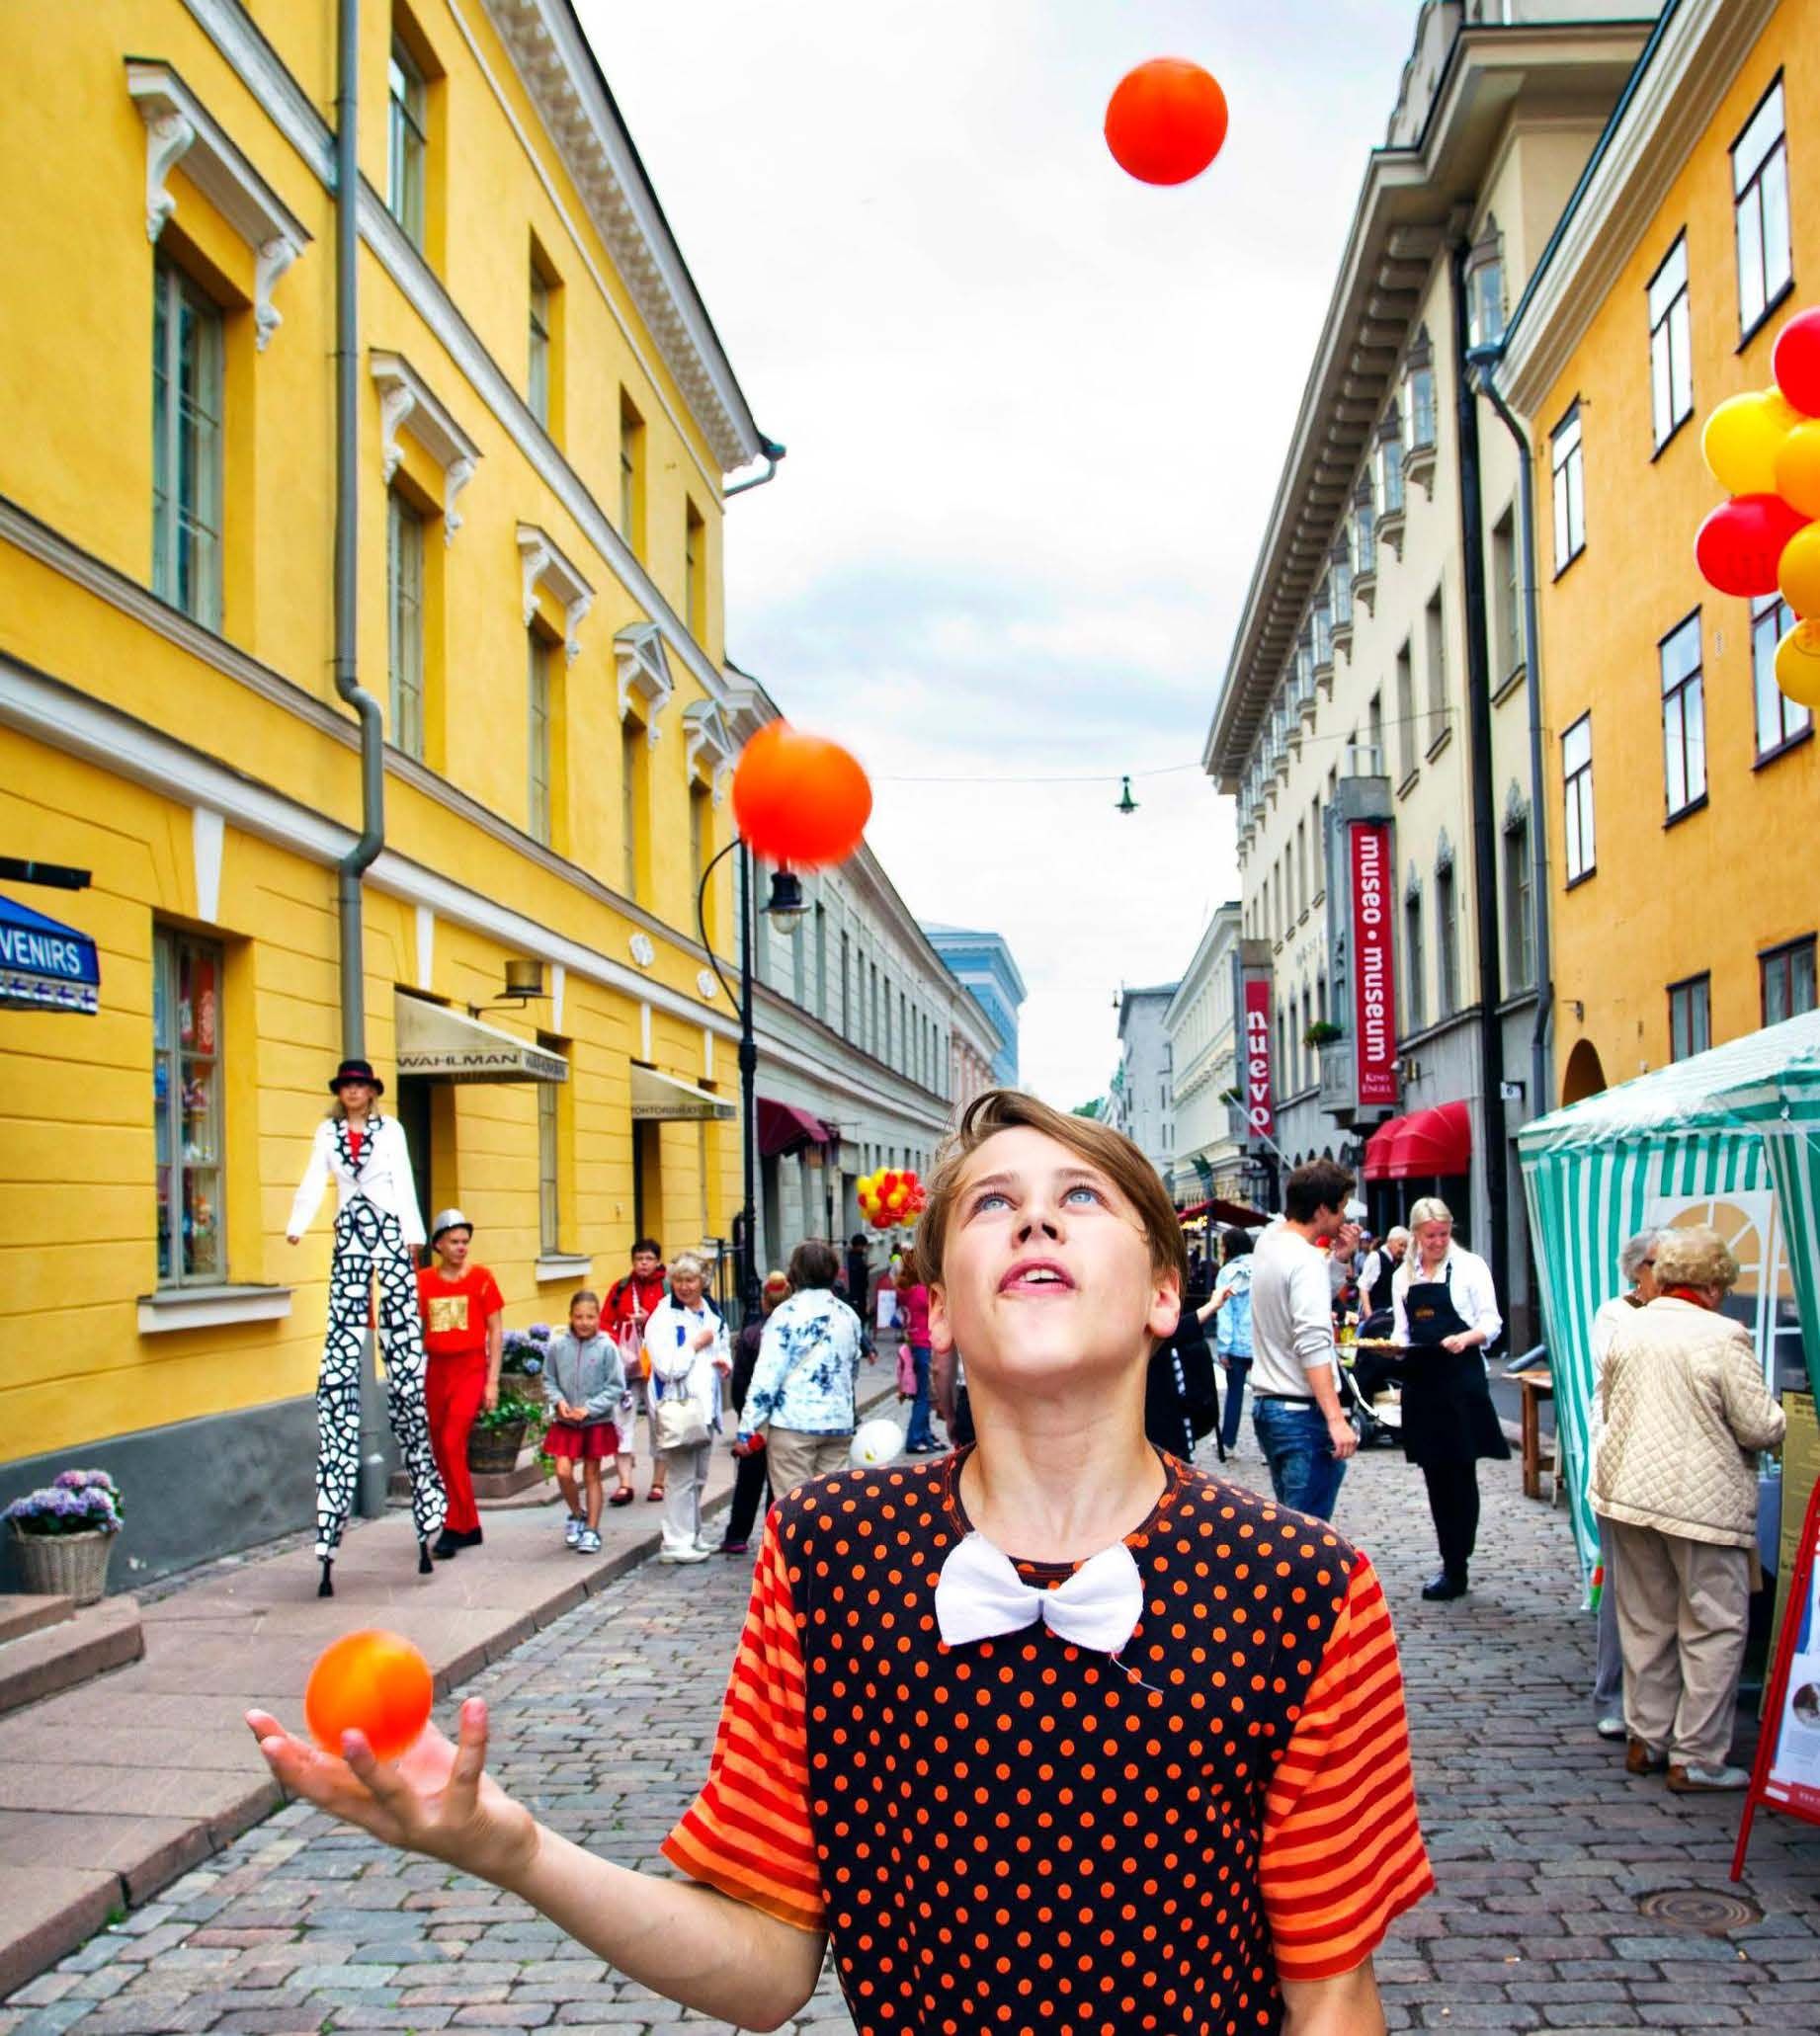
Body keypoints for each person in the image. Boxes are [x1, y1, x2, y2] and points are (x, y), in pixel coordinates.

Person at [245, 1087, 1434, 2034]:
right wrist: (517, 1852)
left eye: (1081, 1197)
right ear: (942, 1314)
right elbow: (765, 1968)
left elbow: (1329, 1995)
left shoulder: (1304, 1589)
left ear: (1166, 1291)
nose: (1033, 1219)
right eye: (989, 1206)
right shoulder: (830, 1552)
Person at [1592, 1225, 1785, 1792]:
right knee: (1713, 1625)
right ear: (1714, 1285)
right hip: (1700, 1503)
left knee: (1645, 1620)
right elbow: (1759, 1425)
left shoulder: (1631, 1327)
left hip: (1630, 1495)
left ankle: (1645, 1737)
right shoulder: (1723, 1336)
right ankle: (1696, 1754)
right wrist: (1780, 1419)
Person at [287, 1056, 446, 1596]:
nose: (353, 1093)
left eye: (360, 1086)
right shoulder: (327, 1132)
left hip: (390, 1236)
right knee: (339, 1364)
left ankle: (428, 1506)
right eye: (347, 1087)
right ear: (341, 1093)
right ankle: (329, 1529)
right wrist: (296, 1224)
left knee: (404, 1366)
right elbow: (314, 1179)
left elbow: (403, 1180)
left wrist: (414, 1237)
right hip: (351, 1236)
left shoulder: (392, 1130)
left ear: (371, 1092)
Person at [1390, 1197, 1509, 1602]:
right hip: (1423, 1382)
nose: (1438, 1242)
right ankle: (1450, 1558)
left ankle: (1459, 1558)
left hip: (1461, 1380)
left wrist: (1467, 1338)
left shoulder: (1470, 1267)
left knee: (1462, 1473)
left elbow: (1491, 1322)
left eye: (1443, 1234)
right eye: (1430, 1236)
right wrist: (1392, 1348)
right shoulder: (1403, 1275)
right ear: (1416, 1236)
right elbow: (1403, 1331)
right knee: (1435, 1476)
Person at [1248, 1158, 1361, 1520]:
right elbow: (1311, 1342)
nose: (1344, 1218)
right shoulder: (1305, 1260)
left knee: (1291, 1527)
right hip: (1299, 1411)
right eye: (1341, 1208)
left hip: (1269, 1407)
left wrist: (1338, 1260)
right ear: (1323, 1209)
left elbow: (1298, 1304)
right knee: (1306, 1538)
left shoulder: (1270, 1240)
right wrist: (1335, 1418)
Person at [1588, 1230, 1661, 1741]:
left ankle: (1655, 1703)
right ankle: (1613, 1695)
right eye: (1661, 1262)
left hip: (1667, 1468)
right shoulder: (1618, 1316)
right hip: (1620, 1462)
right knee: (1622, 1588)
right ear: (1638, 1268)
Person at [735, 1239, 864, 1495]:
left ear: (795, 1272)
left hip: (793, 1425)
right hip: (837, 1422)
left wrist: (747, 1427)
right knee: (832, 1506)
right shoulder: (847, 1315)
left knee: (794, 1507)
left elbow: (766, 1377)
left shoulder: (784, 1315)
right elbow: (852, 1369)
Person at [416, 1209, 504, 1562]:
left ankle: (454, 1525)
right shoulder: (423, 1280)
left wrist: (492, 1382)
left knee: (453, 1440)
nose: (461, 1247)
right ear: (438, 1244)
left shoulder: (482, 1278)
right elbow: (409, 1324)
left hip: (470, 1368)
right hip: (437, 1370)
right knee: (440, 1446)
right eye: (454, 1241)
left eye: (465, 1241)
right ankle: (469, 1523)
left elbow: (496, 1330)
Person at [643, 1253, 732, 1564]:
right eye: (679, 1280)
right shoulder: (663, 1317)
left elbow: (721, 1347)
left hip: (704, 1407)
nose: (684, 1286)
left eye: (690, 1280)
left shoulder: (710, 1310)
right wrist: (694, 1344)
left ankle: (692, 1533)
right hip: (678, 1407)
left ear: (702, 1282)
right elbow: (667, 1367)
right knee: (680, 1476)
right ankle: (675, 1541)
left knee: (699, 1475)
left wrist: (724, 1362)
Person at [542, 1290, 624, 1556]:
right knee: (563, 1471)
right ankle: (577, 1514)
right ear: (570, 1316)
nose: (584, 1322)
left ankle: (592, 1529)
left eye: (590, 1317)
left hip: (595, 1422)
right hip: (565, 1421)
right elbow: (549, 1380)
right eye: (579, 1317)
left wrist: (588, 1409)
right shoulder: (558, 1346)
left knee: (591, 1474)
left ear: (598, 1317)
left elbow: (615, 1387)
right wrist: (558, 1401)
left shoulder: (606, 1347)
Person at [719, 1269, 789, 1556]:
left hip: (757, 1419)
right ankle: (774, 1539)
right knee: (778, 1481)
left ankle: (737, 1534)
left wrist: (743, 1416)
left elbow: (739, 1386)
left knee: (749, 1481)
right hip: (786, 1419)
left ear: (763, 1301)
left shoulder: (750, 1335)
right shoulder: (790, 1332)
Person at [605, 1240, 667, 1506]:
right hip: (627, 1366)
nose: (643, 1263)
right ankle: (625, 1483)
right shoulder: (620, 1287)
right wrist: (615, 1341)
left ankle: (658, 1482)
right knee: (621, 1420)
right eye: (639, 1258)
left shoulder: (667, 1288)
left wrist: (649, 1318)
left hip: (657, 1367)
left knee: (660, 1422)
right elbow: (606, 1321)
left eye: (649, 1258)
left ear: (657, 1261)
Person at [1211, 1226, 1256, 1457]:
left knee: (1235, 1393)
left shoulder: (1228, 1273)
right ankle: (1268, 1448)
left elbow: (1225, 1312)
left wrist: (1223, 1348)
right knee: (1263, 1393)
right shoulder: (1263, 1267)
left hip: (1237, 1342)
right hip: (1261, 1343)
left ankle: (1229, 1440)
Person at [893, 1260, 940, 1453]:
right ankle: (914, 1438)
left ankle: (925, 1435)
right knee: (924, 1396)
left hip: (914, 1344)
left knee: (925, 1394)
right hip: (924, 1345)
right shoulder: (922, 1292)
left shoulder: (906, 1292)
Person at [1359, 1226, 1409, 1321]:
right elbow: (1364, 1288)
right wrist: (1370, 1317)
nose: (1403, 1250)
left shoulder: (1400, 1262)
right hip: (1377, 1315)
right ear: (1390, 1242)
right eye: (1401, 1245)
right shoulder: (1376, 1257)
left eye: (1405, 1247)